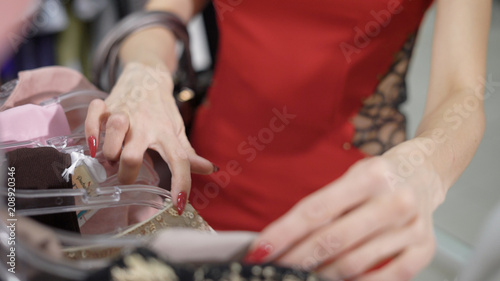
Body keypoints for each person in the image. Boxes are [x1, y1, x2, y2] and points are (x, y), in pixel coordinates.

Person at [84, 0, 491, 279]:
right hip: (199, 182)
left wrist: (428, 170)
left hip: (340, 211)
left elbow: (462, 90)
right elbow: (165, 11)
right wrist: (146, 68)